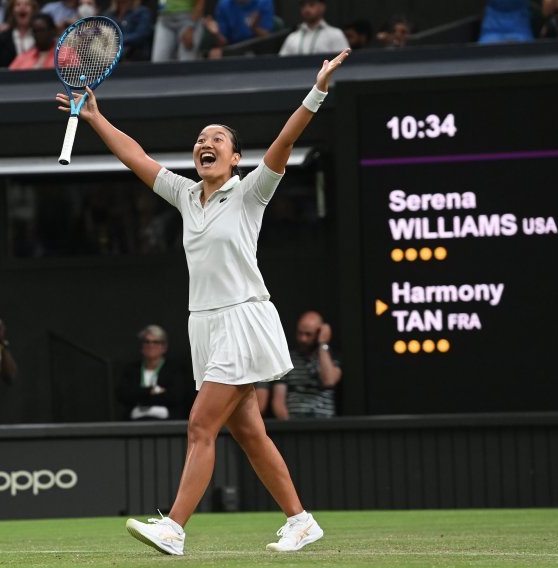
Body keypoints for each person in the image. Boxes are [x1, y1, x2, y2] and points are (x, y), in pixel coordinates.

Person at [57, 47, 351, 555]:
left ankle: (173, 526)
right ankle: (301, 520)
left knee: (200, 424)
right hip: (205, 325)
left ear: (235, 158)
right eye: (200, 139)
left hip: (243, 317)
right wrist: (97, 117)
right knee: (250, 435)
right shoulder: (184, 195)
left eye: (217, 139)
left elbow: (285, 140)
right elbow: (136, 157)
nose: (205, 144)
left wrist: (318, 90)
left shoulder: (252, 191)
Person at [270, 310, 341, 419]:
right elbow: (278, 401)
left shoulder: (330, 358)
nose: (303, 339)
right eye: (300, 333)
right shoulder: (287, 359)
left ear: (319, 333)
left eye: (308, 334)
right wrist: (289, 427)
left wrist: (323, 344)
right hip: (294, 423)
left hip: (325, 424)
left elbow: (329, 381)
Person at [116, 324, 192, 421]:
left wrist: (141, 396)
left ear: (164, 347)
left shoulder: (174, 369)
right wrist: (152, 391)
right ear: (141, 346)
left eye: (156, 342)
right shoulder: (132, 369)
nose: (150, 345)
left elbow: (175, 397)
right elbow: (123, 395)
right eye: (147, 342)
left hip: (166, 423)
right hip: (134, 423)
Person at [203, 0, 274, 59]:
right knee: (215, 53)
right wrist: (216, 34)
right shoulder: (223, 5)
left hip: (259, 50)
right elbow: (223, 42)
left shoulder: (264, 2)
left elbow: (267, 38)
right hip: (234, 51)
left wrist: (254, 28)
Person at [278, 0, 349, 57]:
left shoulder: (335, 34)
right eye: (303, 5)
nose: (306, 9)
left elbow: (345, 62)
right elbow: (281, 64)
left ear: (322, 7)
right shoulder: (292, 37)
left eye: (311, 4)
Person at [0, 0, 37, 68]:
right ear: (12, 11)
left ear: (33, 11)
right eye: (18, 5)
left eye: (27, 5)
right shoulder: (2, 38)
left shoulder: (40, 36)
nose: (22, 7)